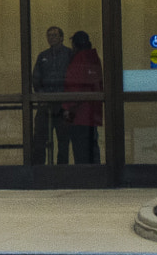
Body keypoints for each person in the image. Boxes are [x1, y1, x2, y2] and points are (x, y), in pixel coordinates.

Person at [31, 24, 72, 165]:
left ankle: (62, 171)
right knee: (40, 138)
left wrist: (68, 102)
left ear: (61, 37)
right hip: (46, 103)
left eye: (54, 35)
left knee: (63, 140)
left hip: (63, 104)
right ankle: (39, 170)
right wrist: (42, 96)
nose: (51, 38)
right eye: (49, 35)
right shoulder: (43, 56)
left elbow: (73, 78)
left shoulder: (69, 54)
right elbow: (36, 78)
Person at [61, 30, 103, 164]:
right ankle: (96, 175)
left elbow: (74, 88)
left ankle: (85, 177)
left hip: (79, 114)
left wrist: (67, 110)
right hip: (93, 112)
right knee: (92, 147)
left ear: (75, 44)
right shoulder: (94, 58)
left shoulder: (78, 59)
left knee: (80, 149)